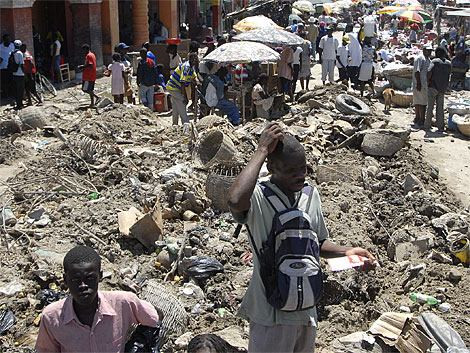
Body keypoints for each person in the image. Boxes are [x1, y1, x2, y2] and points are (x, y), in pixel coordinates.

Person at [228, 124, 376, 353]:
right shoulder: (258, 197)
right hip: (271, 315)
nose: (299, 175)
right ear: (272, 168)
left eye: (303, 168)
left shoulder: (309, 195)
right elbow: (236, 200)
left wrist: (346, 252)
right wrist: (261, 149)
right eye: (290, 170)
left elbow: (316, 243)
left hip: (306, 310)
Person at [35, 245, 161, 352]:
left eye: (90, 279)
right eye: (75, 280)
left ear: (100, 276)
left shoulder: (124, 303)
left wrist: (138, 344)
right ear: (65, 280)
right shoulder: (51, 318)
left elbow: (154, 320)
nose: (83, 286)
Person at [167, 52, 198, 128]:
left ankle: (174, 125)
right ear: (191, 59)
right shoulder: (186, 67)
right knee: (182, 102)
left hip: (175, 87)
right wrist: (185, 97)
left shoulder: (191, 67)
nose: (196, 61)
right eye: (194, 59)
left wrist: (197, 82)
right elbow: (183, 83)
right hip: (174, 87)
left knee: (176, 106)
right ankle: (186, 124)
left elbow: (194, 77)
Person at [425, 46, 451, 132]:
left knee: (430, 107)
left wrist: (427, 82)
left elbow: (429, 72)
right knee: (440, 108)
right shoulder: (448, 63)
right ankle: (440, 127)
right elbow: (449, 75)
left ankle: (427, 125)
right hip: (442, 88)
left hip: (433, 87)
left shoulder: (434, 61)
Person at [412, 44, 432, 127]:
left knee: (418, 101)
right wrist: (419, 83)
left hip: (423, 83)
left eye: (430, 51)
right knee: (422, 103)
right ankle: (421, 119)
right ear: (424, 50)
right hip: (420, 83)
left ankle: (418, 118)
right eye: (428, 50)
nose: (430, 52)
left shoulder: (428, 59)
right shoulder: (420, 58)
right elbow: (417, 71)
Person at [11, 40, 25, 110]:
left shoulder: (12, 53)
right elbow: (22, 64)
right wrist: (24, 73)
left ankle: (18, 104)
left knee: (16, 90)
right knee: (20, 90)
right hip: (20, 74)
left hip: (14, 73)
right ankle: (20, 105)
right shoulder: (20, 53)